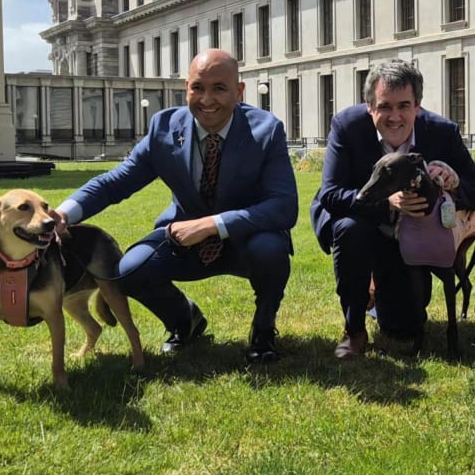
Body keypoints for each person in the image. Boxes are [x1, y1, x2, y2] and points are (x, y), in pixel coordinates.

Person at [53, 49, 298, 364]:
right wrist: (64, 212)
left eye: (219, 88)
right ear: (187, 88)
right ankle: (185, 321)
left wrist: (212, 225)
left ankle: (263, 330)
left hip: (246, 240)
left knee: (272, 249)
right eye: (198, 87)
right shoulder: (164, 128)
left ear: (239, 92)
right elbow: (116, 182)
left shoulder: (266, 130)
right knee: (131, 269)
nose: (206, 99)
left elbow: (284, 206)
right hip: (182, 240)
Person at [310, 59, 475, 358]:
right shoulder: (347, 125)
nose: (395, 117)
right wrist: (387, 203)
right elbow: (330, 194)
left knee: (403, 326)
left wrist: (454, 184)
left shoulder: (442, 132)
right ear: (370, 106)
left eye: (404, 106)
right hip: (361, 219)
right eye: (384, 107)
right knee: (350, 230)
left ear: (418, 106)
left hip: (410, 235)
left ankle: (376, 292)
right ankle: (354, 329)